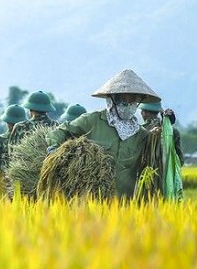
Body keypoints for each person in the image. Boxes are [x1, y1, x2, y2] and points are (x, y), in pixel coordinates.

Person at [46, 69, 161, 199]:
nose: (127, 104)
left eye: (132, 101)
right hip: (91, 200)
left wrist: (166, 126)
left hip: (123, 203)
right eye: (123, 100)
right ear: (112, 99)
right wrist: (54, 150)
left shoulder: (141, 135)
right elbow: (61, 131)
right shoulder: (92, 121)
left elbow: (159, 156)